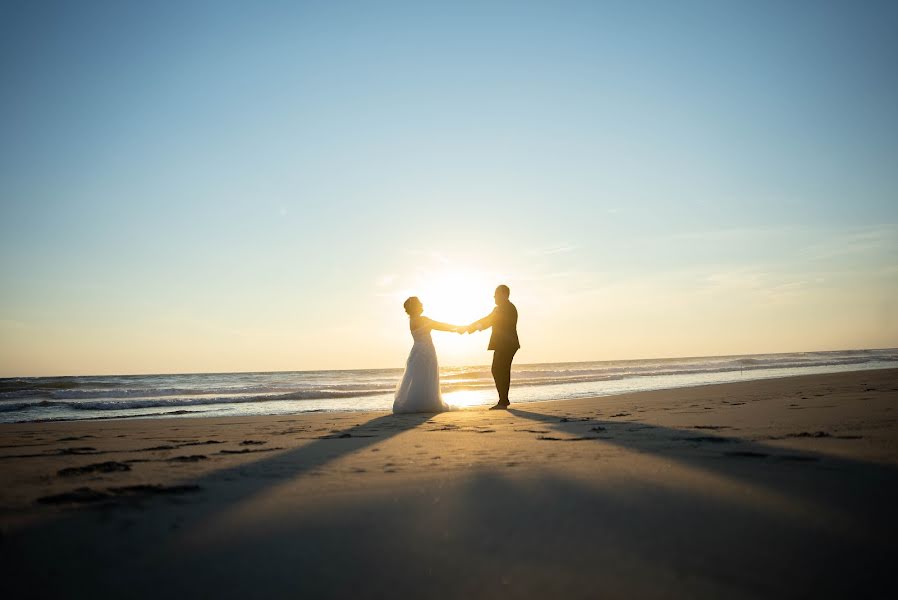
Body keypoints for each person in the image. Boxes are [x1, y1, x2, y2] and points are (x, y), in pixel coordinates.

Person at [393, 296, 463, 414]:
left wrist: (455, 329)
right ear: (416, 307)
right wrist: (457, 328)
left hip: (416, 350)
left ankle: (415, 402)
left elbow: (438, 325)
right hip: (427, 351)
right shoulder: (422, 319)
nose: (422, 305)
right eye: (420, 304)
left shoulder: (412, 320)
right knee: (428, 376)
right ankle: (429, 403)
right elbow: (440, 325)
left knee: (417, 377)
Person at [465, 285, 520, 410]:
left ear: (504, 295)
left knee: (499, 369)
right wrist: (470, 327)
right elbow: (487, 320)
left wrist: (470, 328)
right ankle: (503, 400)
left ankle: (503, 401)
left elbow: (490, 321)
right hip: (504, 343)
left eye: (496, 294)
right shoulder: (499, 308)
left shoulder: (507, 308)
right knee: (499, 370)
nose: (494, 296)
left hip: (507, 344)